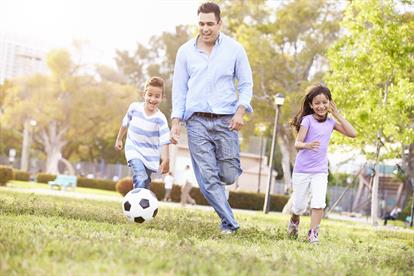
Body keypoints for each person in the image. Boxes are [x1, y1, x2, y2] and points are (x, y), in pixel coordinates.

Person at [170, 2, 253, 234]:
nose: (205, 28)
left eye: (210, 24)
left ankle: (217, 176)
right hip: (196, 121)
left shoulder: (235, 49)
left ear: (219, 23)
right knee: (207, 178)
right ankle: (230, 223)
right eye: (201, 24)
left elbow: (246, 83)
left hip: (226, 119)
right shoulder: (185, 51)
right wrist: (176, 121)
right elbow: (179, 89)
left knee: (228, 174)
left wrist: (240, 111)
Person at [288, 84, 356, 244]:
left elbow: (352, 133)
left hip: (320, 171)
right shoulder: (307, 120)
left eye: (325, 102)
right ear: (311, 105)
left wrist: (337, 114)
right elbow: (298, 143)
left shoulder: (331, 122)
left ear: (330, 103)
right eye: (317, 103)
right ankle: (294, 220)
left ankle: (313, 233)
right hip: (302, 170)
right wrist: (307, 145)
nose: (321, 106)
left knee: (319, 202)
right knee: (298, 206)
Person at [115, 76, 170, 190]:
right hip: (133, 149)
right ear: (144, 94)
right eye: (149, 95)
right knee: (140, 175)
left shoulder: (161, 119)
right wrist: (119, 139)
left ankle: (142, 202)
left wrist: (165, 159)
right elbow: (125, 123)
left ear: (162, 98)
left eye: (157, 96)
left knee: (145, 181)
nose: (152, 99)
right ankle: (137, 201)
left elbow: (165, 140)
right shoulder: (134, 108)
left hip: (150, 155)